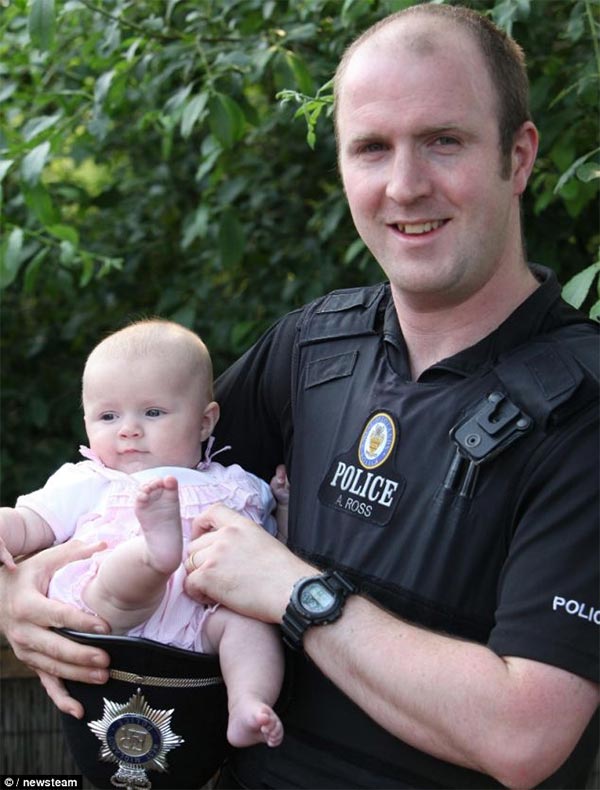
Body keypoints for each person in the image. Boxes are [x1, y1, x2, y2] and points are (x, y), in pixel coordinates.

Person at [1, 4, 598, 788]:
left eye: (444, 141)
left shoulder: (582, 408)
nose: (405, 185)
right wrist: (17, 599)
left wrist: (298, 591)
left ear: (518, 158)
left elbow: (526, 737)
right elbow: (129, 478)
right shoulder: (316, 345)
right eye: (372, 149)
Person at [0, 319, 284, 749]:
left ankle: (248, 702)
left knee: (249, 628)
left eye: (152, 412)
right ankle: (154, 554)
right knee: (116, 574)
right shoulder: (90, 480)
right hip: (116, 620)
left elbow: (274, 545)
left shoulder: (233, 484)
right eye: (108, 416)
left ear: (205, 422)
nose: (128, 429)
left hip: (201, 620)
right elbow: (28, 522)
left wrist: (283, 501)